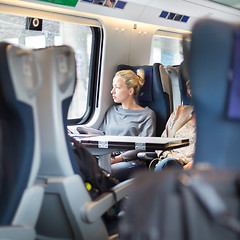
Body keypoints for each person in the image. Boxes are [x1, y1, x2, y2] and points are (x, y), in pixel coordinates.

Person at [99, 68, 156, 164]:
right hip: (107, 157)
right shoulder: (112, 111)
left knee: (101, 172)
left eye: (117, 87)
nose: (112, 91)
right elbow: (102, 135)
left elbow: (145, 146)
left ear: (130, 91)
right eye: (113, 87)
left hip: (130, 161)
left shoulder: (147, 115)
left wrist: (117, 159)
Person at [155, 80, 195, 171]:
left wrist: (187, 168)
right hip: (169, 164)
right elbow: (161, 143)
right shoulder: (179, 111)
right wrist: (170, 156)